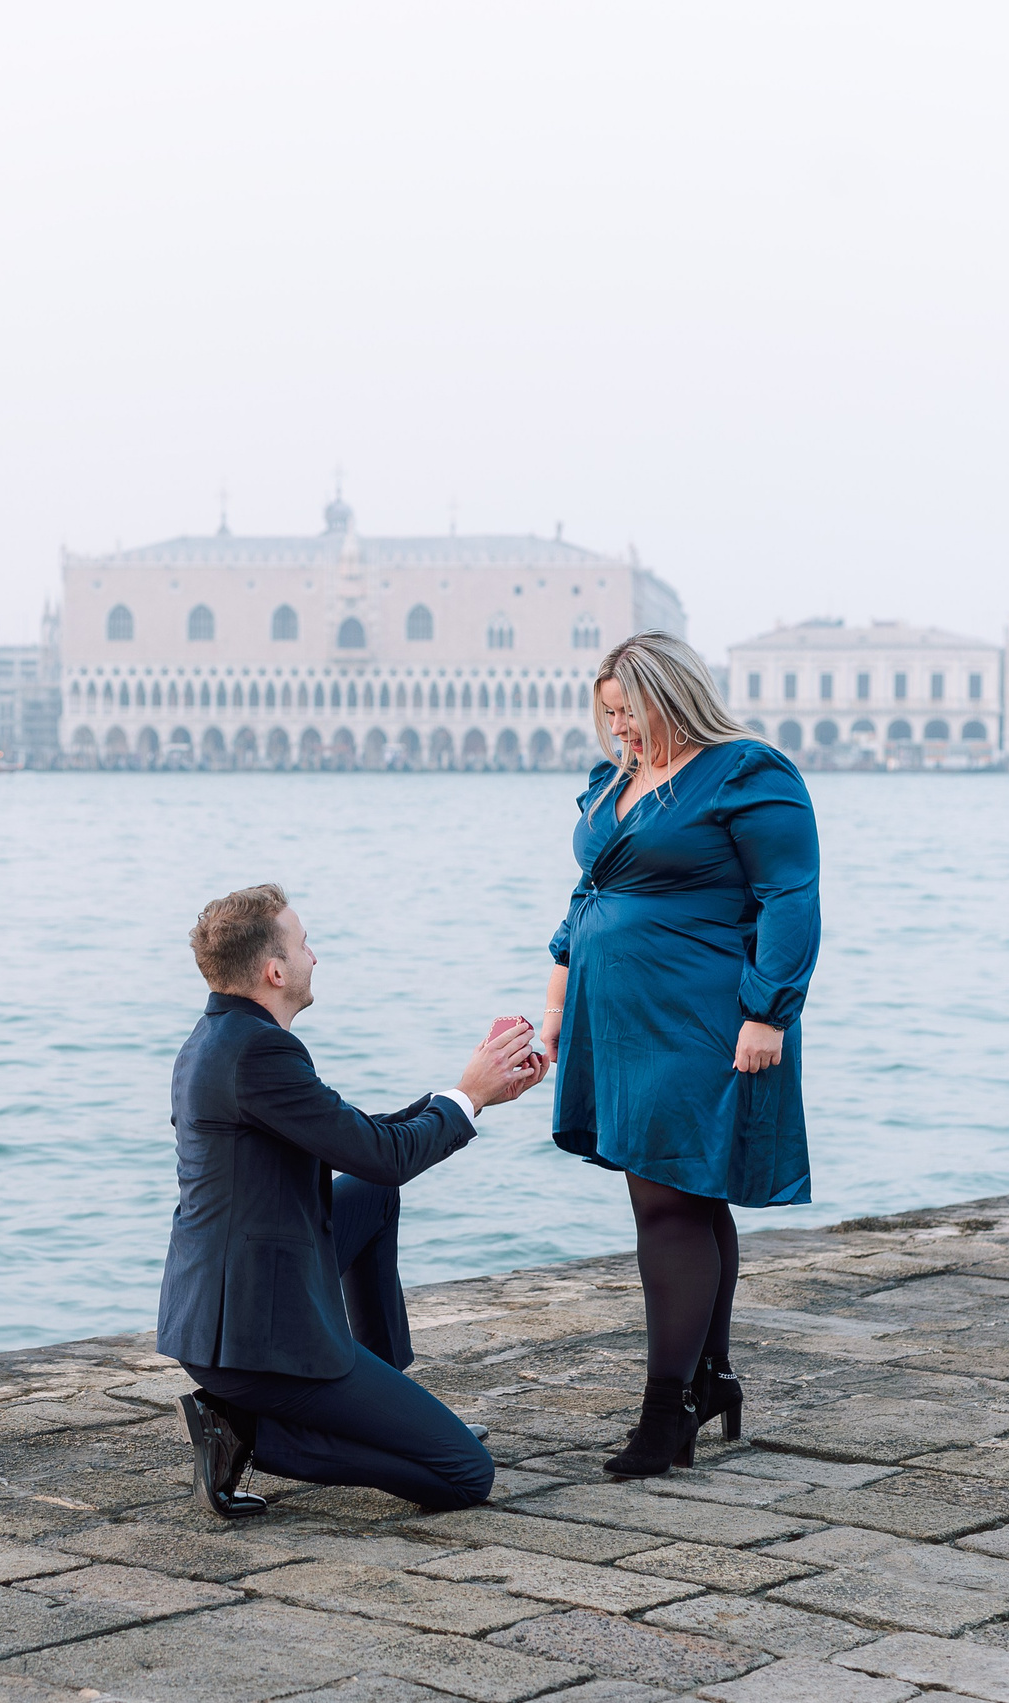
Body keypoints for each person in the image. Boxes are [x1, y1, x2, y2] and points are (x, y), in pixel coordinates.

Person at [159, 883, 545, 1518]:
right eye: (304, 944)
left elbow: (364, 1147)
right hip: (256, 1341)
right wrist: (465, 1097)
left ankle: (381, 1390)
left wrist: (471, 1093)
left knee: (372, 1192)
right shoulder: (259, 1051)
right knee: (463, 1475)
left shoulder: (220, 1037)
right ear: (274, 970)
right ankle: (252, 1434)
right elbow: (383, 1151)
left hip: (235, 1304)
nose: (316, 955)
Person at [539, 632, 821, 1478]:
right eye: (609, 712)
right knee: (688, 1199)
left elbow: (790, 897)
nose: (619, 726)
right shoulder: (614, 782)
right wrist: (556, 1006)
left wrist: (767, 1013)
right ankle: (709, 1377)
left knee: (666, 1204)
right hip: (615, 1020)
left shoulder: (748, 771)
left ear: (675, 694)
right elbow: (587, 896)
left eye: (631, 709)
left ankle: (666, 1416)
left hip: (702, 1018)